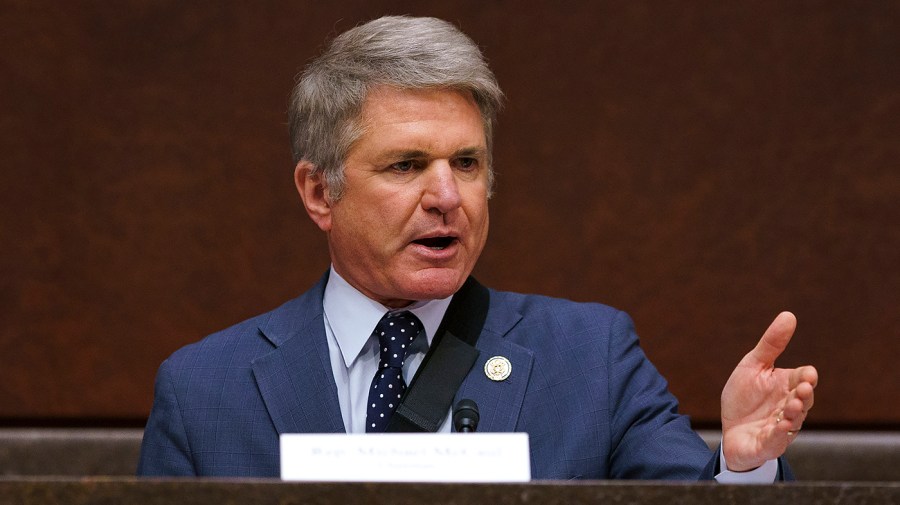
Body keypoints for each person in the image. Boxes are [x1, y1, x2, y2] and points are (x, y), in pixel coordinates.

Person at [137, 15, 817, 480]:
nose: (447, 196)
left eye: (466, 162)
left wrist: (741, 466)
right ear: (319, 192)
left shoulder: (589, 358)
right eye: (406, 165)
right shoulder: (206, 391)